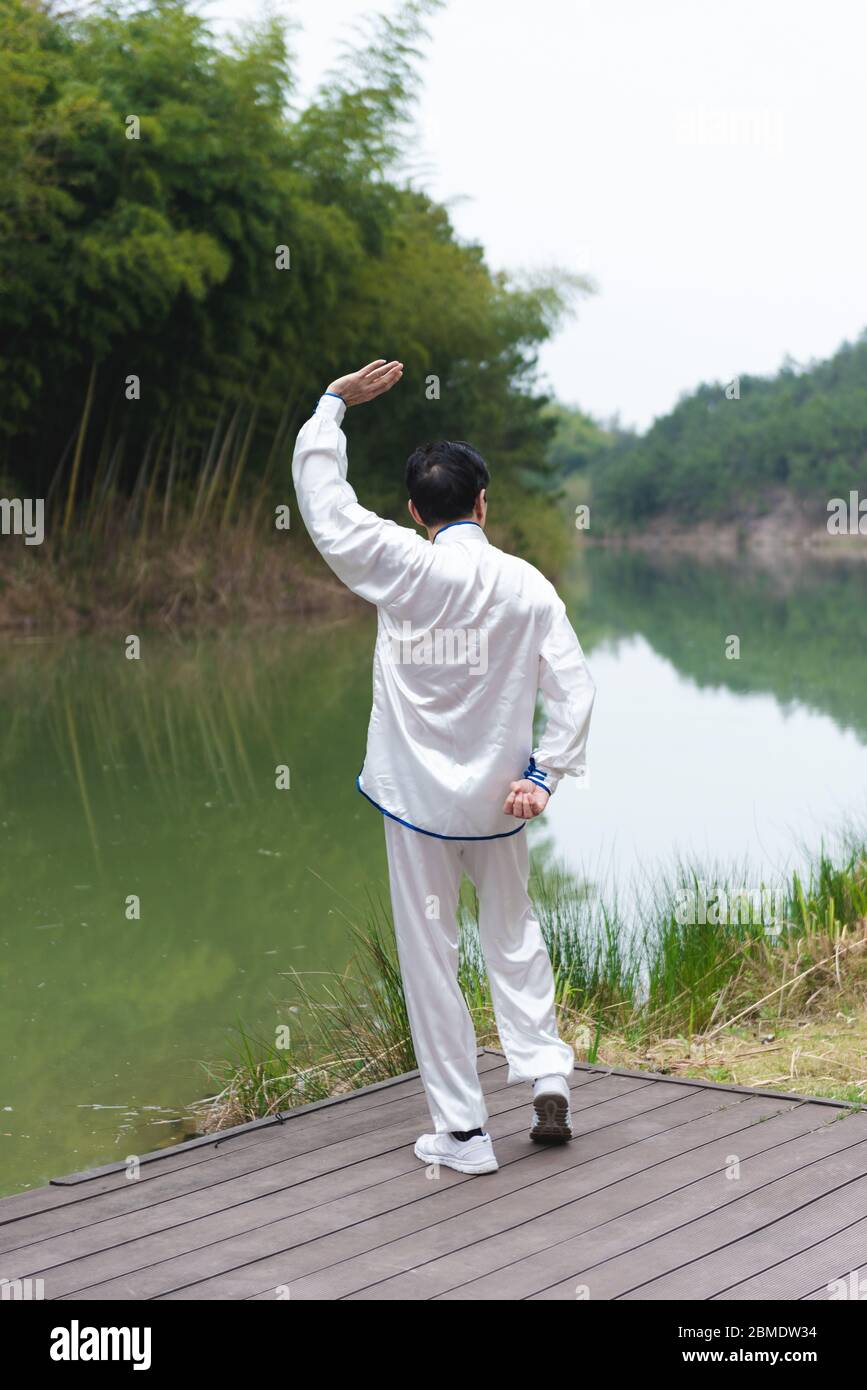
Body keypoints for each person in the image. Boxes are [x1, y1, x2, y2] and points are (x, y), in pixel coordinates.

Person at [292, 360, 596, 1175]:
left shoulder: (402, 565)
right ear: (483, 503)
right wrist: (544, 775)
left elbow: (326, 508)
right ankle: (543, 1070)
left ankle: (462, 1133)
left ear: (414, 511)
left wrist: (331, 408)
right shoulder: (527, 584)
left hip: (416, 803)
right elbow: (573, 688)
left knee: (431, 953)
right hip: (504, 803)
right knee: (512, 933)